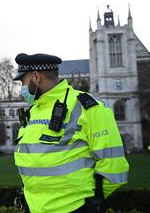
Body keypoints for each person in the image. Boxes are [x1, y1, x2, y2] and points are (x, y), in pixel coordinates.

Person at [12, 53, 129, 213]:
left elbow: (114, 167)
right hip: (34, 207)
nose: (22, 88)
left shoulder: (89, 107)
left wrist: (89, 204)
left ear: (36, 77)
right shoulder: (34, 110)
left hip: (75, 209)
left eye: (23, 81)